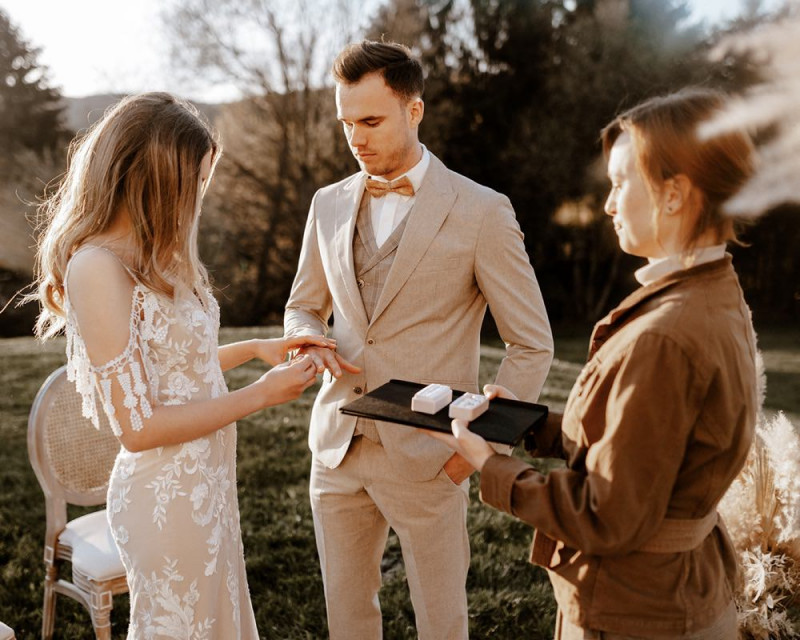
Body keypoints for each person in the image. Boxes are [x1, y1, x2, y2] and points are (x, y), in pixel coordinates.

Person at [432, 87, 758, 639]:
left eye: (620, 183)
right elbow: (651, 447)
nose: (608, 204)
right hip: (679, 594)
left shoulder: (667, 336)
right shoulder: (714, 292)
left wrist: (490, 465)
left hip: (638, 612)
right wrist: (533, 425)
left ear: (674, 193)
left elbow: (606, 514)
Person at [31, 92, 335, 639]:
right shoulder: (97, 267)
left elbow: (175, 371)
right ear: (153, 177)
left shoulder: (153, 256)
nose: (198, 195)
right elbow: (140, 425)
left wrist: (254, 350)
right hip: (164, 498)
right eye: (192, 181)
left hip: (209, 482)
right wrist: (261, 394)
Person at [284, 40, 554, 639]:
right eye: (347, 122)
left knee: (441, 624)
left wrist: (475, 450)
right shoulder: (326, 204)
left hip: (433, 459)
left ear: (415, 111)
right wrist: (307, 337)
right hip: (336, 447)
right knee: (346, 621)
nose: (356, 137)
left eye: (372, 120)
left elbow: (532, 343)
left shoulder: (482, 210)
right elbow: (302, 306)